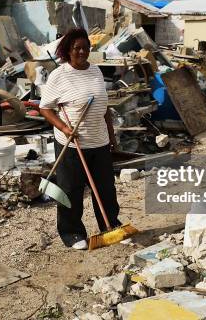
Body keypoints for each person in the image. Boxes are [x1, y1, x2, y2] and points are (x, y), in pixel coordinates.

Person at [39, 28, 121, 250]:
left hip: (100, 141)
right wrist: (64, 128)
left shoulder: (95, 71)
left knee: (105, 188)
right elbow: (45, 108)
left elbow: (104, 108)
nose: (82, 51)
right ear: (68, 50)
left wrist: (112, 136)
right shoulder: (59, 75)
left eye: (86, 47)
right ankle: (72, 233)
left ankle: (110, 224)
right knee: (71, 189)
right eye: (77, 48)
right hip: (72, 144)